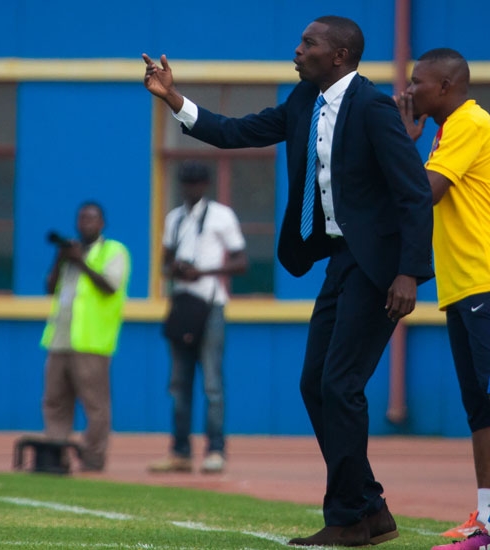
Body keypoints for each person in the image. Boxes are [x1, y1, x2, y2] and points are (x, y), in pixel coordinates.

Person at [143, 14, 433, 547]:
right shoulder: (303, 103)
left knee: (340, 386)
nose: (297, 50)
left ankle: (349, 517)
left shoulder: (371, 107)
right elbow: (235, 133)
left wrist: (409, 273)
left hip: (380, 267)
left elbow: (414, 193)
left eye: (309, 43)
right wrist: (173, 99)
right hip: (341, 262)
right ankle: (369, 507)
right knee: (315, 384)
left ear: (340, 55)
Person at [396, 48, 490, 550]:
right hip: (463, 287)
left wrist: (398, 143)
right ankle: (488, 520)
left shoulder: (470, 123)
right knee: (479, 409)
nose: (410, 92)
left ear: (448, 87)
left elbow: (424, 192)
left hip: (483, 282)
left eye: (418, 83)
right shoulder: (445, 130)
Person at [147, 161, 248, 475]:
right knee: (179, 383)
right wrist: (175, 270)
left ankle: (215, 450)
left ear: (205, 186)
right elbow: (164, 264)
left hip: (211, 303)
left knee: (212, 384)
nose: (190, 189)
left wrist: (201, 272)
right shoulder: (174, 219)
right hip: (181, 304)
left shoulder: (221, 216)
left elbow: (241, 262)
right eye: (186, 183)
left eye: (196, 183)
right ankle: (180, 452)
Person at [40, 201, 131, 472]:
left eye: (91, 219)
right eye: (81, 219)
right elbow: (49, 287)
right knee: (55, 400)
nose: (84, 224)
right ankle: (57, 454)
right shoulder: (69, 253)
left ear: (101, 223)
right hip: (59, 340)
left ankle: (93, 458)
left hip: (92, 342)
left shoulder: (113, 251)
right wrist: (61, 258)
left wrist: (81, 262)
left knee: (95, 405)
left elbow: (109, 288)